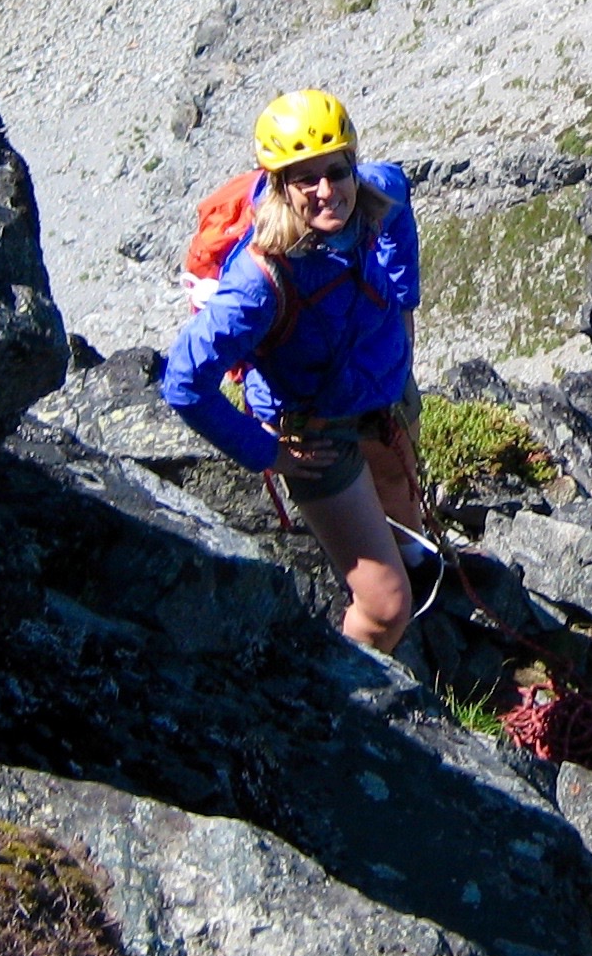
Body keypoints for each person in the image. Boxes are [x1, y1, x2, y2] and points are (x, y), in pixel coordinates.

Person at [160, 88, 426, 651]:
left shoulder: (375, 191)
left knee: (403, 503)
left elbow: (398, 198)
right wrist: (268, 452)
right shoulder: (258, 282)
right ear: (279, 186)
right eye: (304, 179)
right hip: (315, 433)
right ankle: (362, 702)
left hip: (382, 398)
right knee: (385, 607)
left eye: (335, 170)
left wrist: (403, 314)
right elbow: (183, 381)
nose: (326, 191)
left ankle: (412, 568)